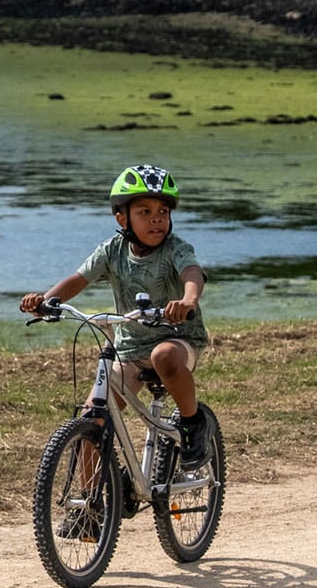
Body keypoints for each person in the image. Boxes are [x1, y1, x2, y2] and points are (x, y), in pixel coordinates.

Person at [18, 164, 209, 475]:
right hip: (130, 348)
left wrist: (188, 300)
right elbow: (78, 279)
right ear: (122, 218)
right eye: (144, 211)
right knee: (91, 420)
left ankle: (192, 423)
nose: (156, 218)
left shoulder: (176, 249)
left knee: (164, 356)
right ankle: (89, 512)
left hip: (178, 338)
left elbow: (192, 273)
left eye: (163, 211)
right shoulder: (112, 250)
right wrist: (46, 301)